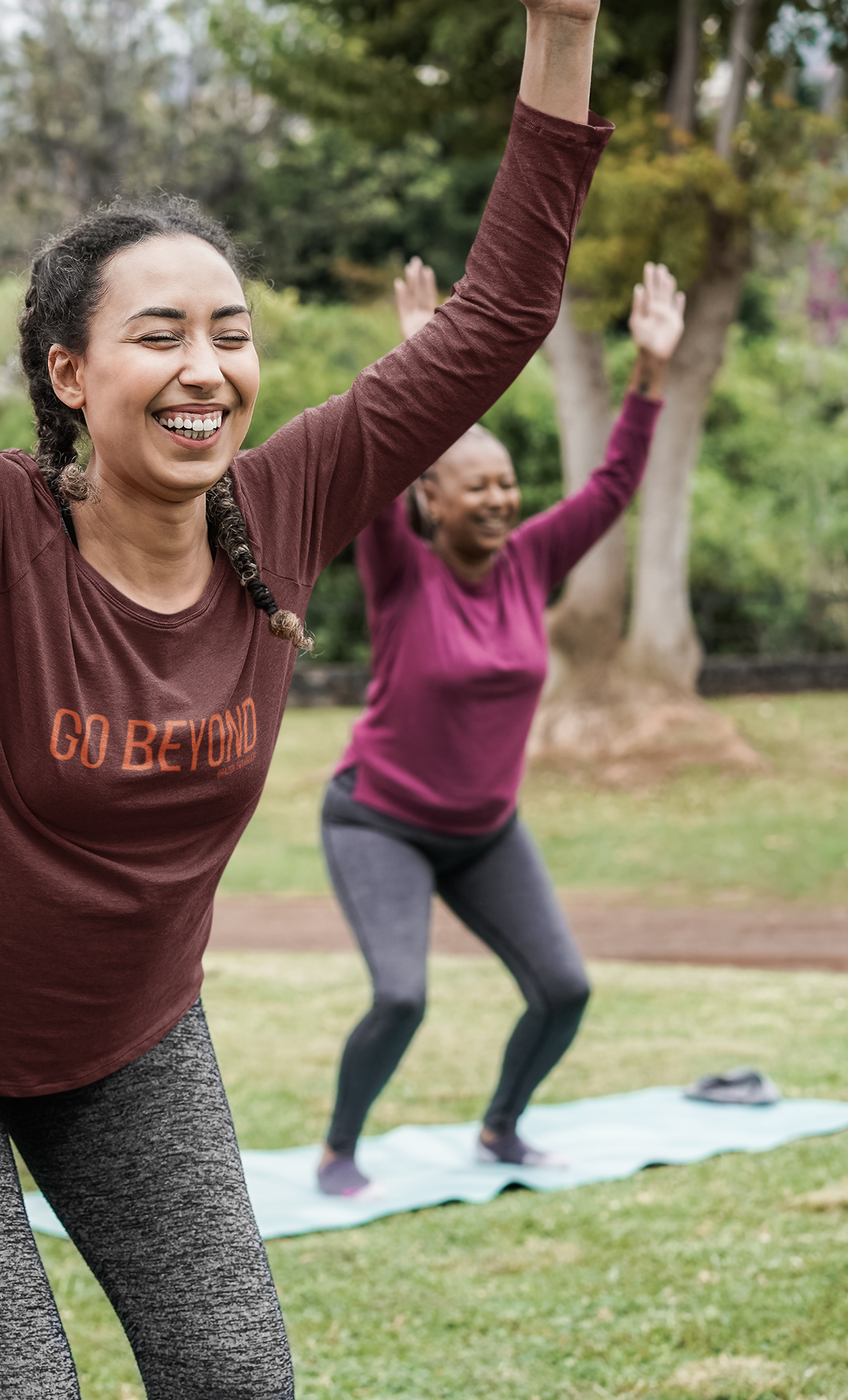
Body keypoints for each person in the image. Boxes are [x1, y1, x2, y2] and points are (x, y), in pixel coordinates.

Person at [0, 0, 609, 1391]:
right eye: (158, 335)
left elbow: (503, 317)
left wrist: (566, 26)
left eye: (229, 333)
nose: (205, 370)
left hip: (130, 1044)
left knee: (237, 1381)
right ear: (69, 371)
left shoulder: (286, 507)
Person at [315, 260, 685, 1197]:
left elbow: (611, 485)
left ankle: (501, 1130)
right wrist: (420, 360)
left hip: (484, 832)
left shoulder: (531, 561)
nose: (498, 498)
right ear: (430, 500)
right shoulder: (399, 566)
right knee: (401, 995)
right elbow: (384, 454)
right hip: (380, 820)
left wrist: (649, 371)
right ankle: (338, 1150)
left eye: (506, 483)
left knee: (565, 988)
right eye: (474, 487)